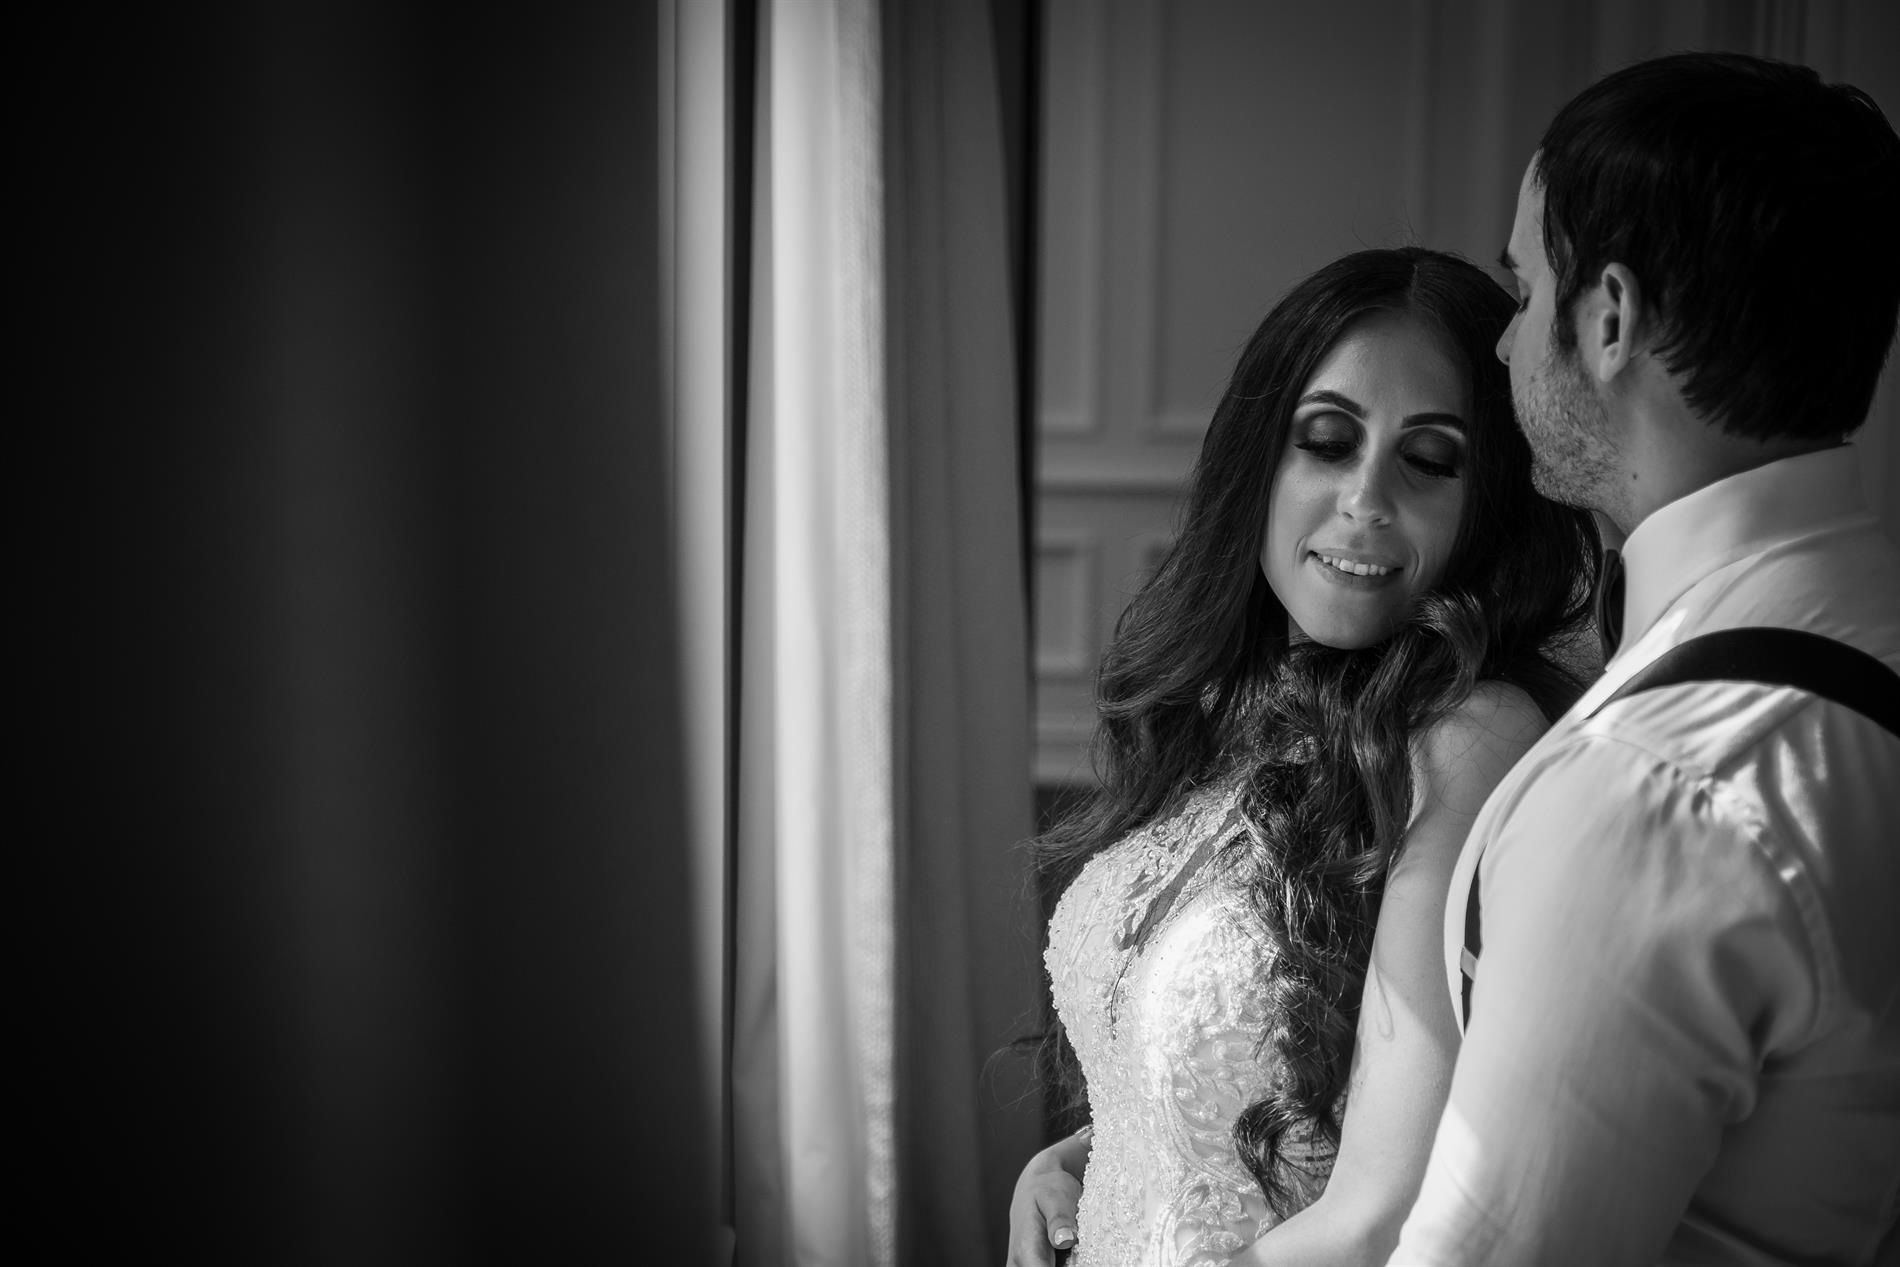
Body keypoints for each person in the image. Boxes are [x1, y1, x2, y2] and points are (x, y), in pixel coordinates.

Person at [1388, 54, 1900, 1267]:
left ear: (1607, 319)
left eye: (1524, 289)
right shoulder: (1867, 628)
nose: (1504, 342)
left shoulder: (1653, 791)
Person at [1006, 247, 1599, 1267]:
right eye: (1326, 442)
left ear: (1488, 503)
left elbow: (1382, 1208)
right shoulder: (1233, 715)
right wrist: (1073, 1161)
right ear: (1260, 463)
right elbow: (1244, 1098)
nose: (1366, 499)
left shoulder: (1468, 735)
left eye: (1430, 460)